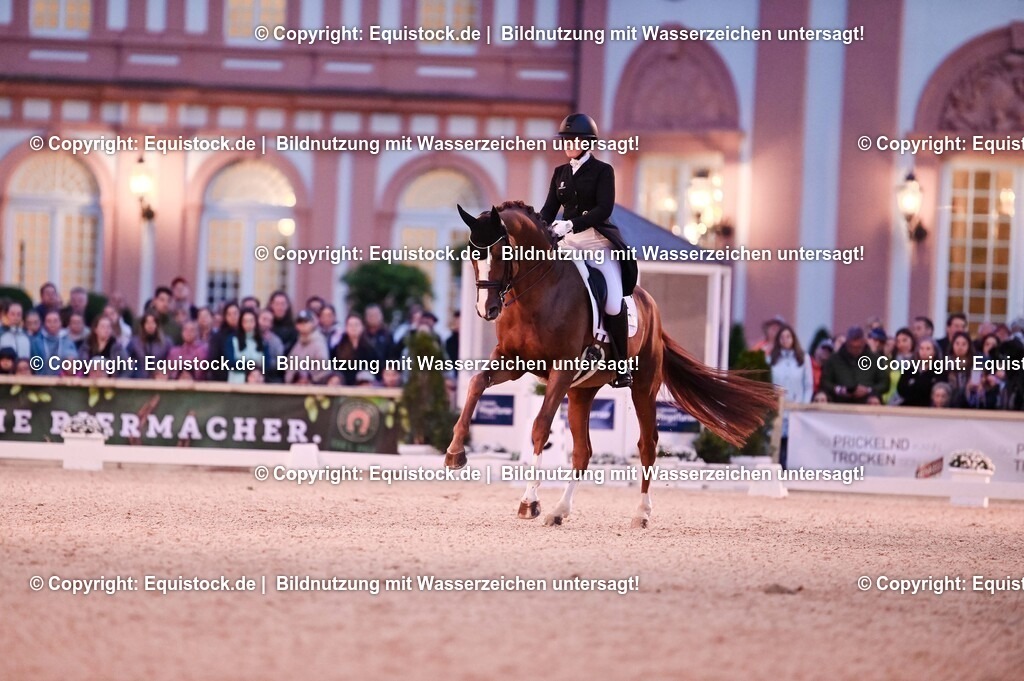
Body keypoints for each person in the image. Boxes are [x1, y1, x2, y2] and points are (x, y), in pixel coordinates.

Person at [540, 112, 638, 387]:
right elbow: (549, 209)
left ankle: (622, 365)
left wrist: (570, 223)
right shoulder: (560, 172)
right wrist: (540, 228)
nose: (567, 144)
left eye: (571, 139)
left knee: (612, 300)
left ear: (586, 141)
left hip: (596, 241)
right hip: (569, 243)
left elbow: (603, 209)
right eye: (565, 140)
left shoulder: (603, 171)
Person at [768, 324, 813, 467]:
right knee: (776, 441)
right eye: (782, 337)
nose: (785, 340)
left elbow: (808, 384)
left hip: (795, 408)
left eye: (788, 337)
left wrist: (803, 405)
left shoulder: (803, 358)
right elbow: (767, 381)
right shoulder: (772, 359)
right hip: (776, 407)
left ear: (793, 338)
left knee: (792, 443)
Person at [820, 326, 889, 404]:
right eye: (851, 347)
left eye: (859, 347)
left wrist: (869, 390)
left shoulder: (876, 359)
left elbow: (885, 384)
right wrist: (839, 389)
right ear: (847, 343)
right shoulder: (833, 359)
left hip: (867, 404)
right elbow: (825, 382)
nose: (855, 350)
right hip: (840, 404)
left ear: (864, 343)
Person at [332, 313, 380, 385]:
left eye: (356, 325)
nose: (353, 328)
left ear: (362, 327)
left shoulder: (370, 349)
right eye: (350, 325)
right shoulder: (338, 349)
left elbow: (376, 370)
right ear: (346, 328)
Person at [285, 310, 331, 384]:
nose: (303, 325)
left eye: (306, 322)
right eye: (300, 322)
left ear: (313, 324)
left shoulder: (319, 343)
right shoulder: (297, 345)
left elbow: (323, 370)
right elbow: (289, 369)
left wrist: (310, 379)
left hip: (314, 389)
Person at [30, 310, 78, 376]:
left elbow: (72, 363)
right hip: (41, 380)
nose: (52, 324)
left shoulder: (67, 341)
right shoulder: (37, 342)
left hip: (62, 381)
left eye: (55, 321)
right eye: (49, 321)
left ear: (60, 323)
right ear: (44, 323)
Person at [896, 337, 940, 407]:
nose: (924, 352)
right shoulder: (910, 369)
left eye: (928, 349)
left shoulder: (939, 370)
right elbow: (901, 388)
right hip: (909, 405)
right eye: (921, 348)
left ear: (934, 352)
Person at [128, 313, 172, 379]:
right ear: (143, 325)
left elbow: (171, 362)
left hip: (159, 381)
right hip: (138, 381)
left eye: (153, 322)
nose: (150, 325)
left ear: (157, 325)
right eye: (147, 323)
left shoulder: (166, 343)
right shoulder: (134, 342)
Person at [207, 301, 240, 381]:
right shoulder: (218, 337)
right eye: (229, 314)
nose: (233, 317)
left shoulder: (245, 334)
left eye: (235, 313)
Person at [257, 308, 285, 383]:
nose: (266, 323)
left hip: (271, 378)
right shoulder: (250, 337)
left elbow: (280, 362)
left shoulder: (276, 341)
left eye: (269, 321)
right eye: (264, 319)